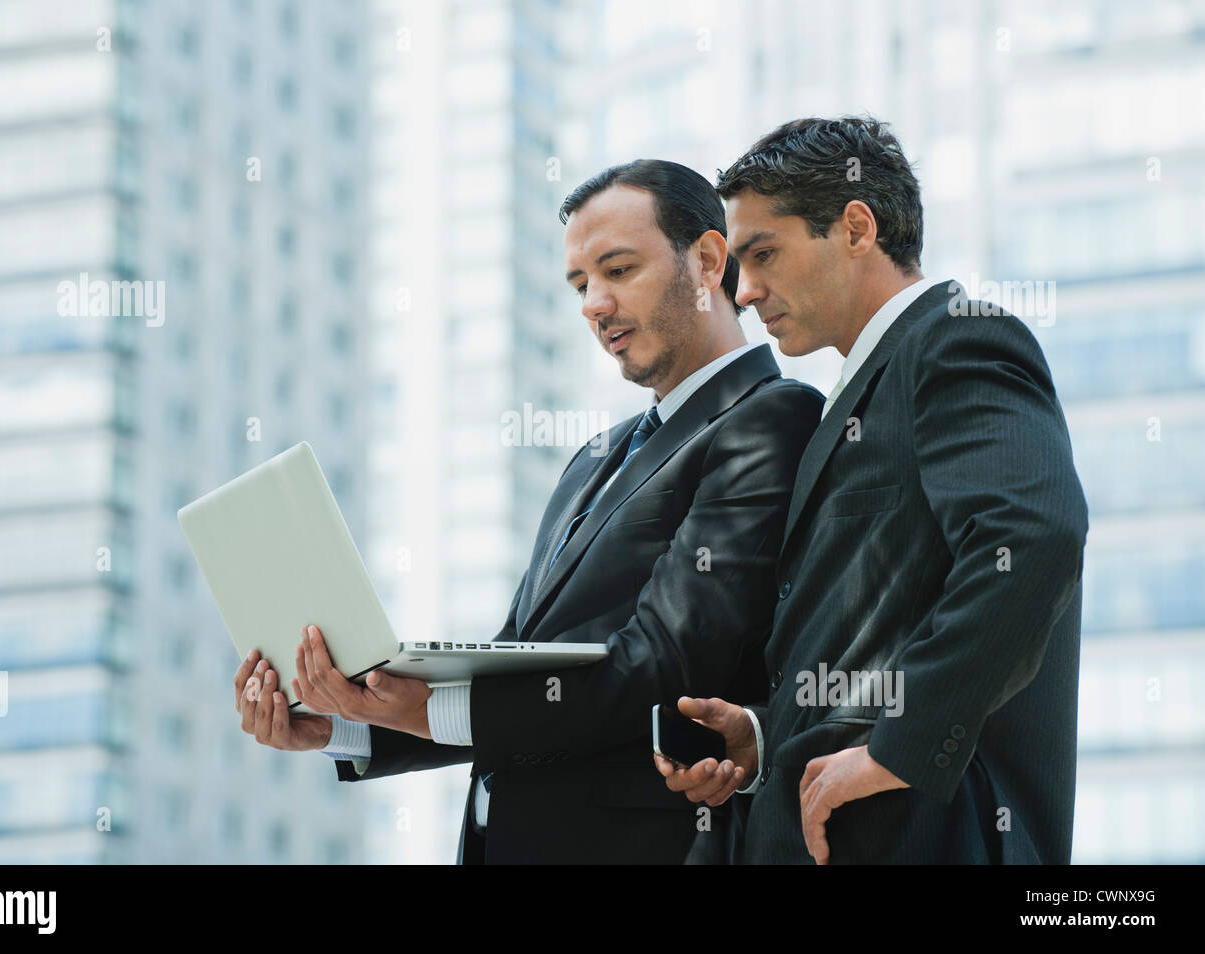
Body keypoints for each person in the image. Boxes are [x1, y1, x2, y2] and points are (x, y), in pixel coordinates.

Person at [234, 159, 822, 863]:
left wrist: (422, 710)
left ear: (706, 259)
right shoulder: (592, 460)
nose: (593, 304)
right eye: (580, 284)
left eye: (618, 269)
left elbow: (661, 664)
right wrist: (340, 719)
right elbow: (517, 661)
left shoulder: (771, 419)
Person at [656, 117, 1088, 864]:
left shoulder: (956, 338)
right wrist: (765, 739)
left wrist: (902, 744)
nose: (748, 290)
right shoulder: (858, 394)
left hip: (930, 837)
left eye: (763, 254)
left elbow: (1032, 538)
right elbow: (870, 637)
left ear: (856, 225)